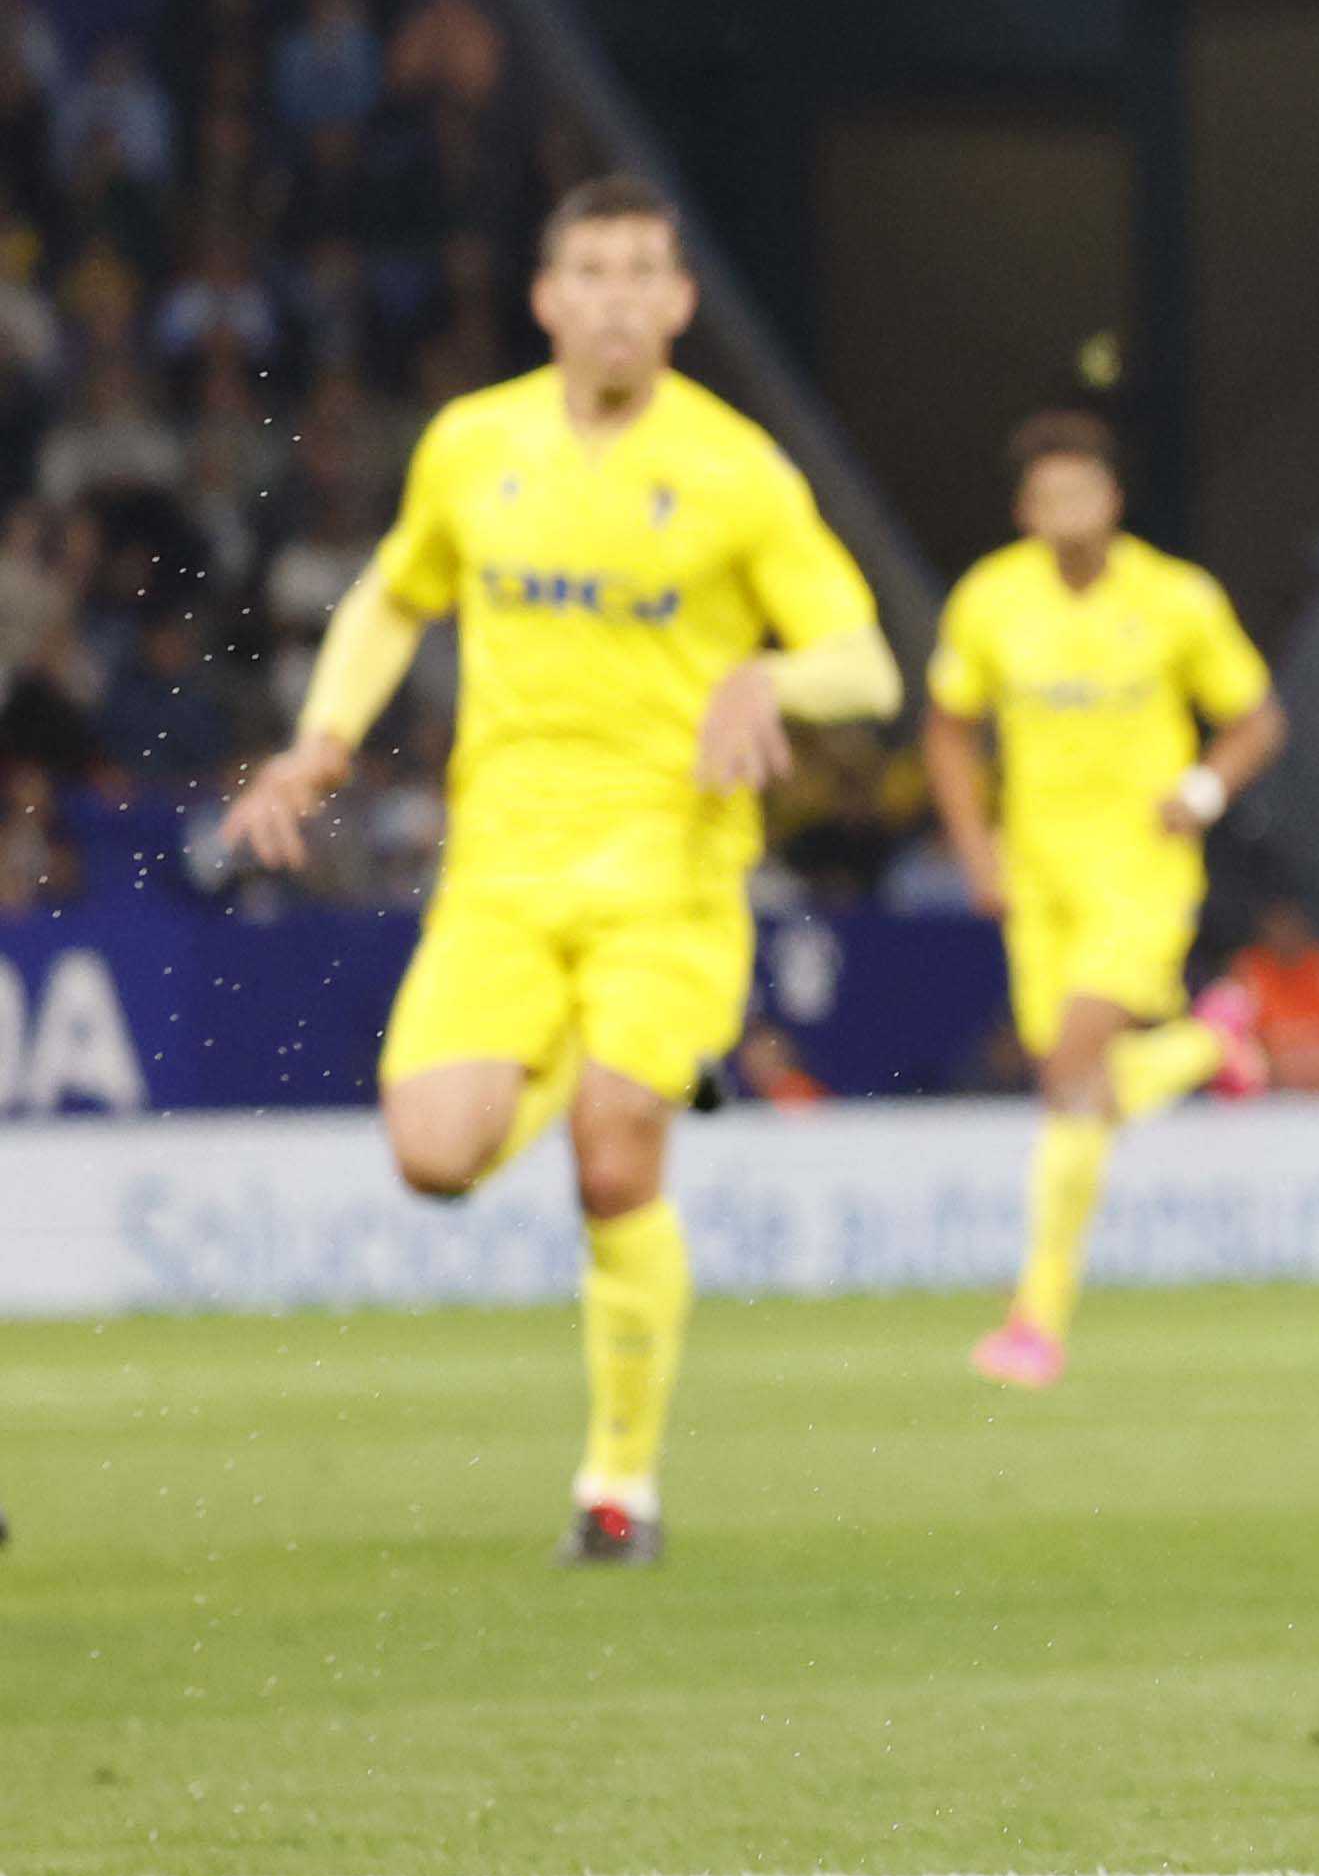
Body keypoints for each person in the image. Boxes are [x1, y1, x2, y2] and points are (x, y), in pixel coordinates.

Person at [218, 177, 897, 1564]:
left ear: (680, 302)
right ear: (545, 298)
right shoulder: (474, 445)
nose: (615, 299)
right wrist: (320, 745)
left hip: (670, 872)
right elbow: (393, 595)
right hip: (503, 872)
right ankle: (585, 1063)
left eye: (643, 272)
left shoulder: (737, 472)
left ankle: (618, 1488)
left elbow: (867, 661)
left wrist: (769, 676)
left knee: (615, 1148)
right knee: (433, 1156)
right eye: (590, 271)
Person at [923, 410, 1286, 1389]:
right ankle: (1206, 1045)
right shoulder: (990, 599)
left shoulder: (1175, 598)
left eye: (1081, 492)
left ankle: (1035, 1322)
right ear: (1024, 512)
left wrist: (1201, 789)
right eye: (1048, 497)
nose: (1066, 511)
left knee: (1071, 1069)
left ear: (1113, 501)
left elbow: (1256, 720)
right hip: (1040, 878)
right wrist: (976, 849)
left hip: (1140, 869)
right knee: (1073, 1089)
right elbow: (948, 729)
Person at [1224, 896, 1319, 1092]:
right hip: (1270, 1089)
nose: (1284, 935)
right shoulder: (1248, 970)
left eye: (1291, 926)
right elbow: (1236, 1043)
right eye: (1277, 927)